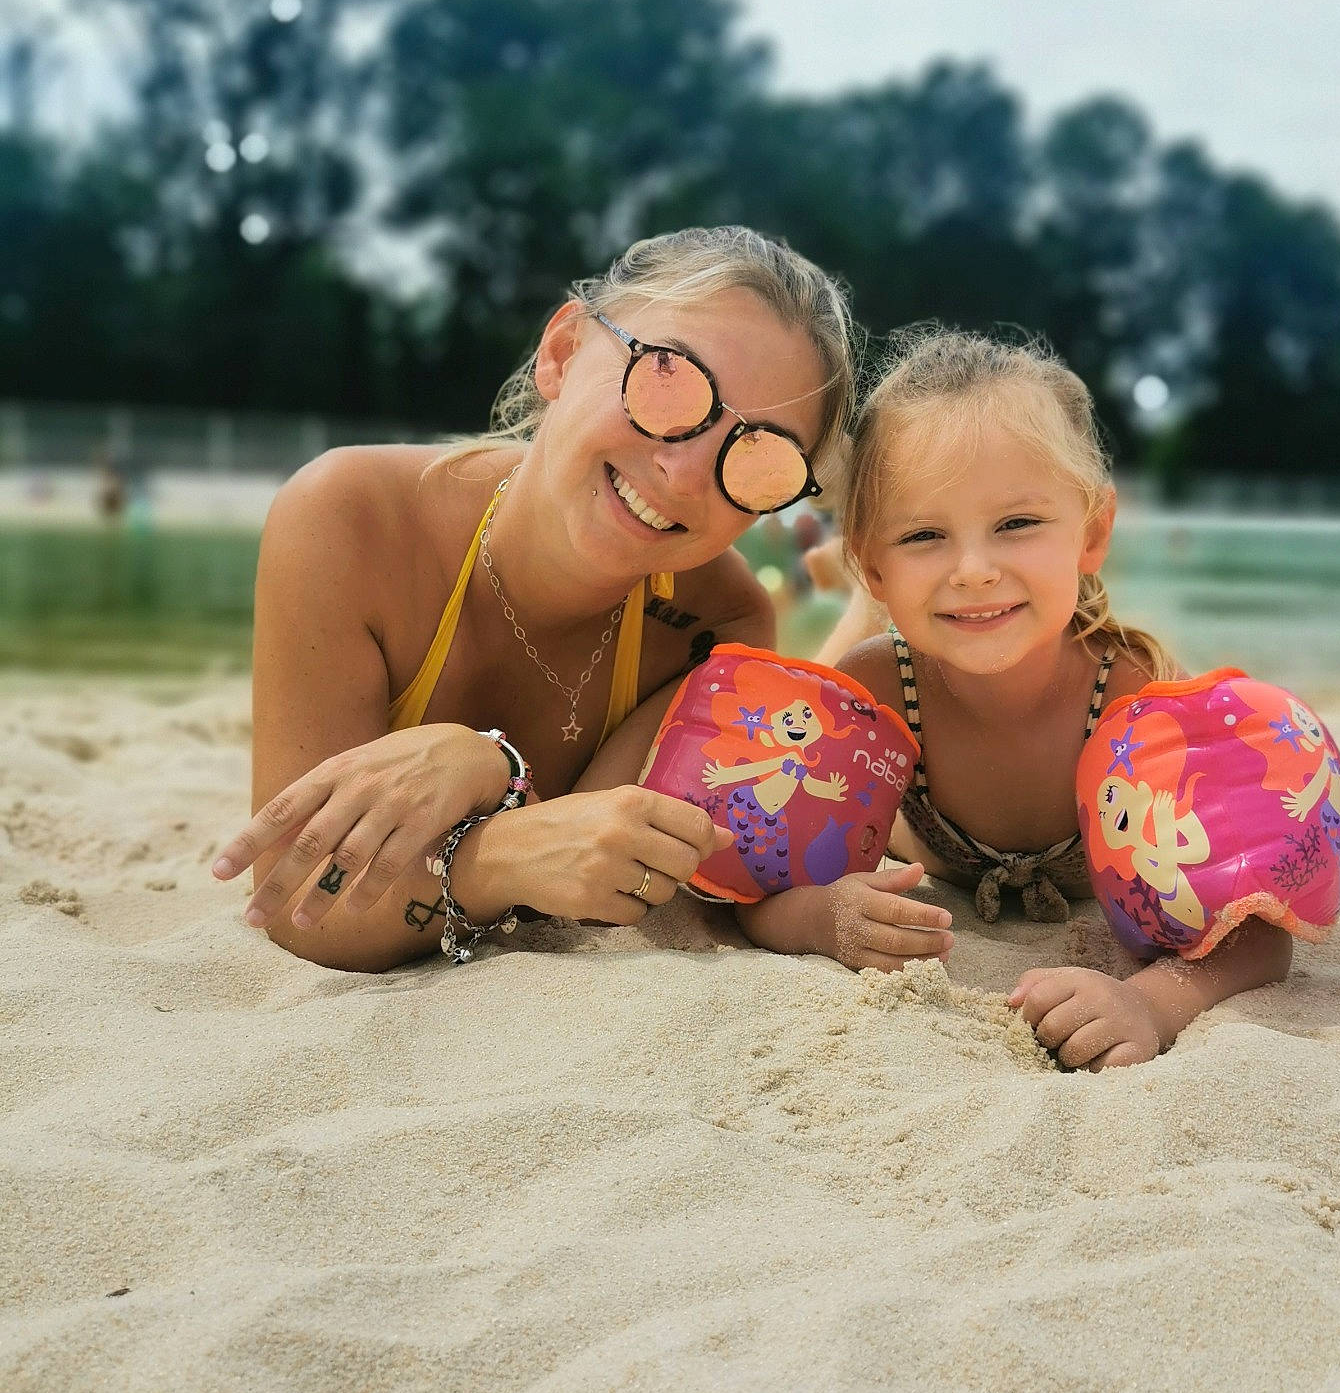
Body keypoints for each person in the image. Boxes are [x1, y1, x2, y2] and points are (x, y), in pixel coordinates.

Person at [211, 228, 857, 972]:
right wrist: (503, 824)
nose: (683, 473)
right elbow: (301, 903)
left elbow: (590, 865)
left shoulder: (719, 625)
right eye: (667, 382)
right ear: (563, 352)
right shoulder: (350, 517)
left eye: (760, 456)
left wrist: (491, 775)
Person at [739, 331, 1293, 1069]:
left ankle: (878, 579)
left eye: (1017, 525)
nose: (974, 570)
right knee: (827, 675)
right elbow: (756, 872)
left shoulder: (1144, 701)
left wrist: (1153, 1002)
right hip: (904, 712)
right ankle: (856, 600)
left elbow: (1259, 932)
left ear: (1092, 532)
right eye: (925, 534)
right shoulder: (875, 695)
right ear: (874, 565)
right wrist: (821, 916)